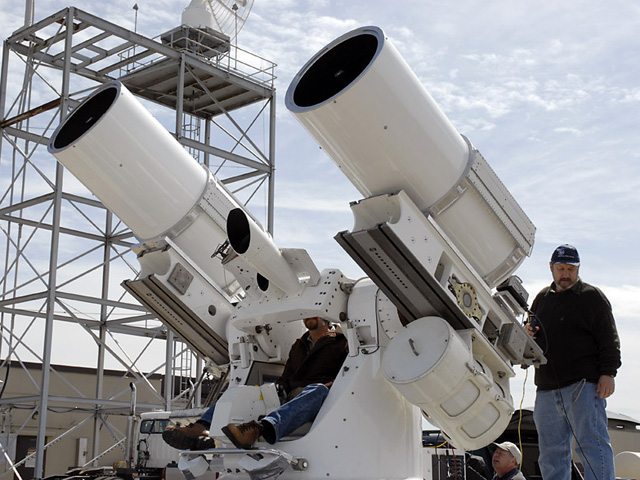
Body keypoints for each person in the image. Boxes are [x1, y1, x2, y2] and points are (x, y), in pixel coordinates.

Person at [163, 316, 348, 450]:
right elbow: (287, 374)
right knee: (242, 390)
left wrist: (328, 387)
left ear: (326, 317)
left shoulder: (341, 342)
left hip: (321, 396)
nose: (308, 317)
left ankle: (259, 429)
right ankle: (202, 428)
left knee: (317, 390)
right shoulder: (298, 345)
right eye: (306, 313)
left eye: (314, 312)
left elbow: (345, 375)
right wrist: (279, 388)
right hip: (293, 393)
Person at [528, 244, 621, 480]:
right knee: (551, 455)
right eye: (561, 268)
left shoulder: (592, 297)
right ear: (551, 267)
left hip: (584, 387)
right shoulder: (540, 299)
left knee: (592, 447)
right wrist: (526, 336)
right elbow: (532, 338)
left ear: (578, 269)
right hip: (547, 390)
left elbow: (609, 338)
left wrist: (608, 373)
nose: (566, 274)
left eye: (571, 268)